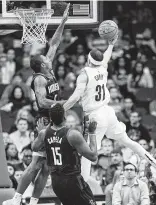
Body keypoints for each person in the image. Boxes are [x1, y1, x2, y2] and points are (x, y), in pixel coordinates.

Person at [63, 33, 156, 181]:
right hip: (108, 111)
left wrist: (61, 109)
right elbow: (106, 56)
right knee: (128, 142)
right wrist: (111, 44)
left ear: (88, 59)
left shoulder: (84, 74)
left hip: (95, 115)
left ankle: (83, 187)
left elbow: (75, 97)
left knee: (87, 154)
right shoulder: (103, 68)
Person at [3, 4, 70, 205]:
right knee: (36, 163)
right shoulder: (40, 79)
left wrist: (63, 21)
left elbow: (55, 43)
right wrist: (64, 103)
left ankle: (33, 202)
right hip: (45, 120)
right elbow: (41, 101)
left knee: (48, 167)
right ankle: (16, 198)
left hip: (56, 120)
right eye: (45, 58)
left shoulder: (47, 69)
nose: (48, 56)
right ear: (42, 64)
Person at [32, 103, 97, 205]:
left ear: (51, 119)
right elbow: (93, 156)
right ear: (64, 117)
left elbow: (34, 148)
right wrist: (92, 133)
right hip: (72, 181)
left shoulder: (44, 133)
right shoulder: (72, 134)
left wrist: (41, 133)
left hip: (56, 182)